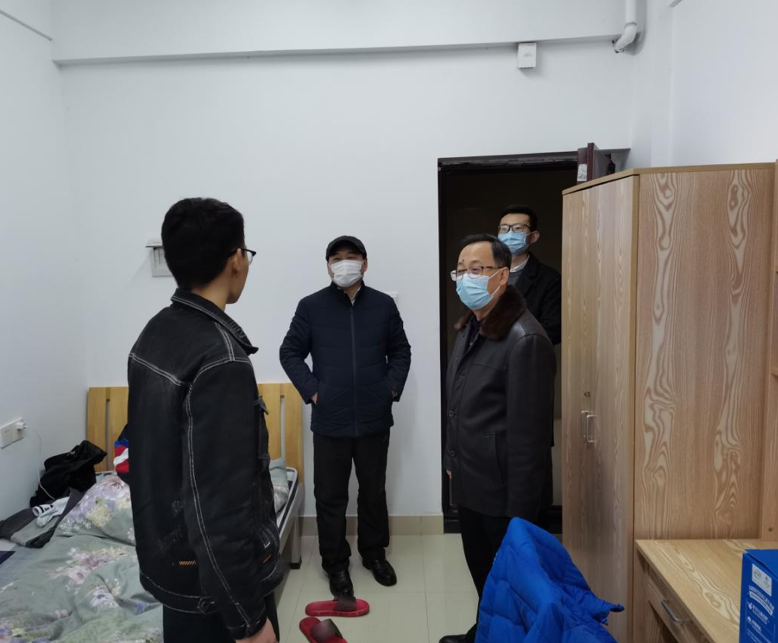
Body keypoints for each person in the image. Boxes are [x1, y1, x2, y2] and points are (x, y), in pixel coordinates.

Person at [126, 198, 281, 643]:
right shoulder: (221, 360)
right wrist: (249, 622)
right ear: (236, 260)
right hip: (216, 594)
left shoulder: (155, 331)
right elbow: (219, 511)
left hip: (173, 570)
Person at [280, 235, 412, 598]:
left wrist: (390, 390)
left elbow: (401, 351)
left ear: (365, 263)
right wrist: (314, 391)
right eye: (336, 258)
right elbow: (290, 352)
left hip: (373, 417)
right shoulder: (311, 306)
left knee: (373, 491)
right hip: (330, 420)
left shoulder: (383, 305)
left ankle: (374, 554)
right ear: (328, 267)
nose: (343, 263)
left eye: (351, 256)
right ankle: (335, 563)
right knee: (330, 496)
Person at [440, 234, 556, 643]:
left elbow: (530, 439)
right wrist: (452, 463)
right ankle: (483, 633)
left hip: (504, 495)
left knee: (511, 583)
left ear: (503, 276)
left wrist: (519, 516)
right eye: (461, 270)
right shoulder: (471, 327)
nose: (466, 278)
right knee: (485, 576)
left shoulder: (525, 339)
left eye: (477, 269)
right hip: (472, 481)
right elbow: (461, 407)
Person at [497, 205, 561, 345]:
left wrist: (510, 343)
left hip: (526, 354)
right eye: (504, 228)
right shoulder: (487, 272)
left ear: (533, 237)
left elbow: (553, 330)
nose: (509, 234)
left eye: (518, 228)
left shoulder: (549, 279)